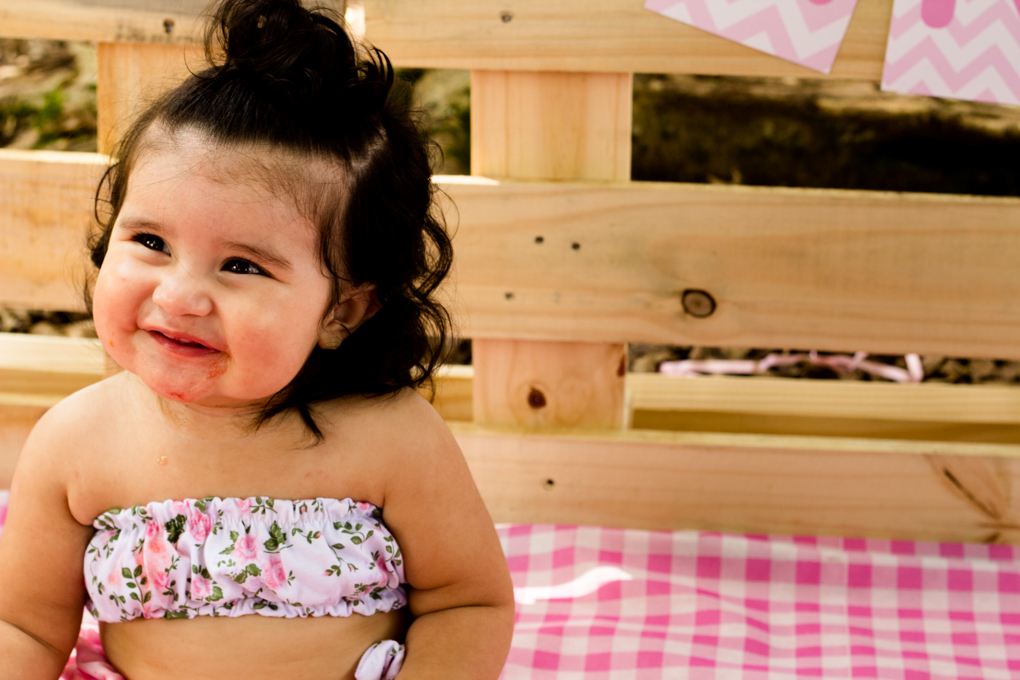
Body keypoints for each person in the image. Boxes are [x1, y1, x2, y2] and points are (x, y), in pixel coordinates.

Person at [0, 0, 515, 677]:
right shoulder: (76, 443)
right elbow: (23, 627)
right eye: (151, 241)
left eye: (242, 265)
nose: (179, 295)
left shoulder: (392, 440)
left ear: (344, 310)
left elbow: (468, 604)